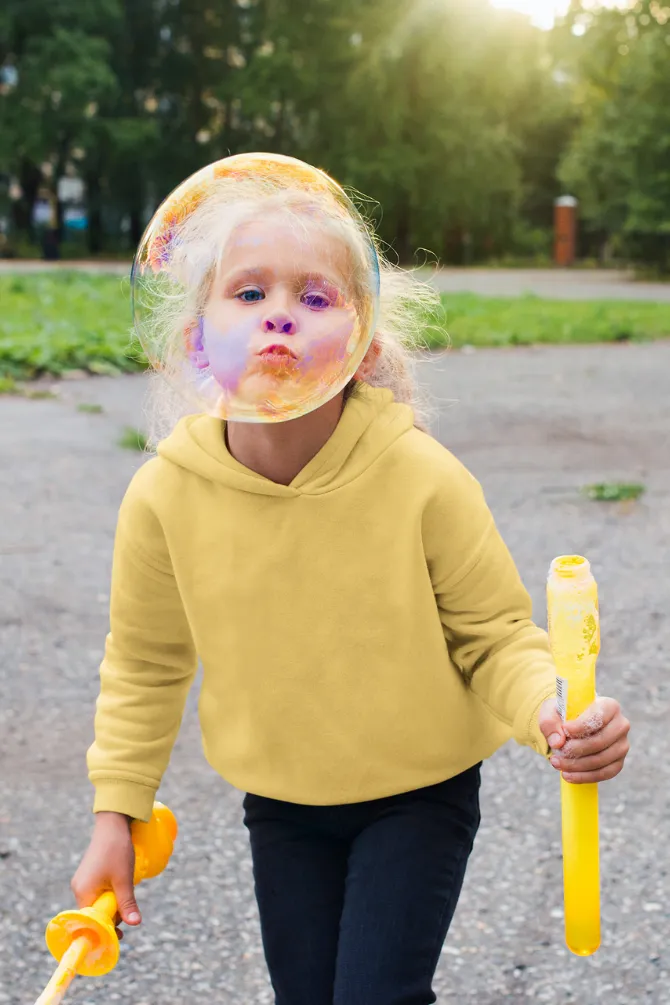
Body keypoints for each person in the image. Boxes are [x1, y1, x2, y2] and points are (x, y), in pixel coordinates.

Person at [71, 156, 630, 1005]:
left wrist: (550, 711)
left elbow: (494, 636)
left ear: (361, 338)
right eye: (249, 293)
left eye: (315, 297)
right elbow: (146, 664)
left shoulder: (422, 477)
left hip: (418, 792)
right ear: (197, 335)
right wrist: (117, 814)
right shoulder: (163, 496)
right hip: (283, 801)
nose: (280, 319)